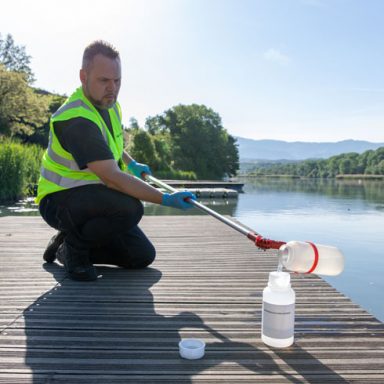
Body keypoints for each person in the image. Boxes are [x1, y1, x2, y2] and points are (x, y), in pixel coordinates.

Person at [36, 40, 195, 282]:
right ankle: (74, 250)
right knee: (130, 208)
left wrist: (131, 163)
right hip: (59, 200)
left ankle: (65, 243)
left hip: (91, 198)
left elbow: (110, 145)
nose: (112, 88)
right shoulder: (76, 118)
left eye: (117, 80)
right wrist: (164, 198)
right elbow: (111, 177)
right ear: (83, 76)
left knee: (141, 255)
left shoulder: (110, 106)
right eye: (104, 80)